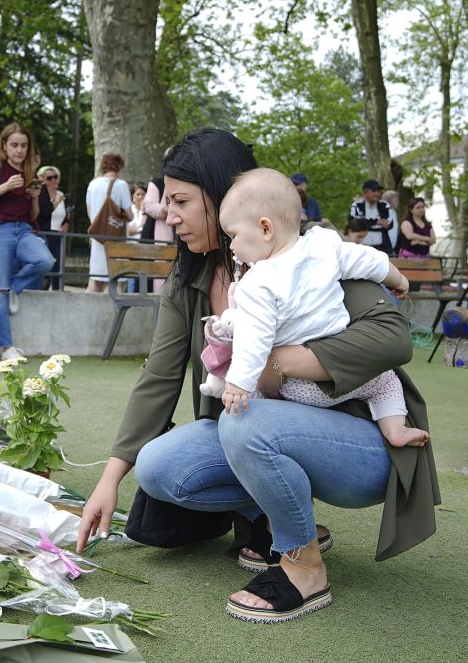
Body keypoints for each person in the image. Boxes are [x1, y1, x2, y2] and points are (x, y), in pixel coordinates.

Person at [76, 128, 438, 624]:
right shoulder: (190, 281)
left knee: (244, 422)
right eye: (168, 200)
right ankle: (281, 516)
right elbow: (158, 378)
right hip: (262, 429)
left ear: (224, 196)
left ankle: (304, 568)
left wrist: (277, 362)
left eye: (181, 200)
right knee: (160, 467)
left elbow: (393, 340)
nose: (166, 213)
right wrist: (110, 478)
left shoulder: (307, 255)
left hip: (365, 437)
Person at [215, 168, 428, 449]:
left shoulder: (258, 282)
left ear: (265, 228)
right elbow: (368, 259)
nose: (232, 246)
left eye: (233, 235)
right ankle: (395, 430)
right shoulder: (323, 245)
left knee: (249, 400)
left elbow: (253, 339)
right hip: (338, 374)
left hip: (294, 385)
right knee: (386, 382)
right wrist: (397, 278)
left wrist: (238, 384)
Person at [0, 122, 54, 360]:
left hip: (25, 230)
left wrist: (34, 197)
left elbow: (33, 214)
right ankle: (6, 348)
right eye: (14, 145)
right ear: (5, 145)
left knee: (45, 261)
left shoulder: (31, 171)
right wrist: (5, 187)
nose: (19, 150)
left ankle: (14, 289)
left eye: (23, 145)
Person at [85, 153, 134, 293]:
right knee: (113, 280)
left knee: (95, 281)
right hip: (115, 237)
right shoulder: (121, 185)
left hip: (98, 237)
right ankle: (109, 315)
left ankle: (87, 312)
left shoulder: (93, 184)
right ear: (119, 166)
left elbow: (90, 211)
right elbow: (129, 215)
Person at [37, 165, 69, 290]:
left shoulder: (60, 194)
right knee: (46, 264)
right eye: (49, 177)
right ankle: (41, 289)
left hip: (58, 233)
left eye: (55, 177)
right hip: (44, 232)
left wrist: (66, 223)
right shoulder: (40, 194)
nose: (53, 180)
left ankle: (57, 290)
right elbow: (45, 212)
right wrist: (56, 201)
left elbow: (65, 215)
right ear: (43, 179)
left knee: (58, 266)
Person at [350, 179, 393, 255]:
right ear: (365, 193)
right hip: (362, 246)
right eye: (373, 191)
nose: (376, 193)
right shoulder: (357, 205)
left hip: (381, 247)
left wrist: (367, 222)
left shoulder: (384, 205)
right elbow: (355, 223)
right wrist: (377, 221)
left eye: (378, 191)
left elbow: (389, 223)